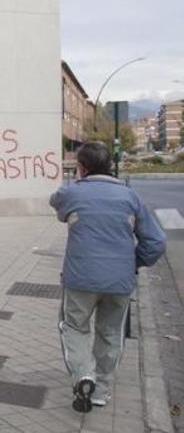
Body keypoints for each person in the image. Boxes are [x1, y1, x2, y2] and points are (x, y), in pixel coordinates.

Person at [50, 141, 165, 413]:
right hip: (119, 281)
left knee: (74, 327)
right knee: (111, 333)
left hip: (80, 279)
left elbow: (55, 202)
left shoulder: (73, 192)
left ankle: (82, 376)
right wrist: (133, 263)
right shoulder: (131, 197)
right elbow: (157, 242)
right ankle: (100, 389)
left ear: (82, 167)